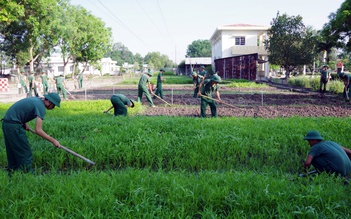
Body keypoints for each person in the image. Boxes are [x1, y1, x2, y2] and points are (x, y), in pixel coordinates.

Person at [1, 92, 61, 174]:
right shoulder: (41, 107)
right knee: (24, 152)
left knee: (12, 151)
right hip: (14, 126)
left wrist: (23, 122)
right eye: (54, 105)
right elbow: (38, 130)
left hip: (7, 123)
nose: (53, 108)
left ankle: (12, 172)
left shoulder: (36, 100)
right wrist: (53, 140)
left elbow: (20, 111)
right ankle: (27, 173)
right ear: (50, 102)